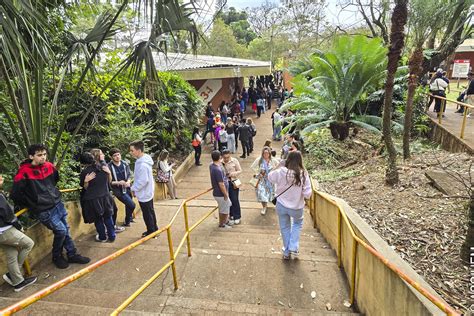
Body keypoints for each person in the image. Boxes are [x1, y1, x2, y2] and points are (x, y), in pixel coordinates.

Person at [10, 144, 90, 269]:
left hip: (57, 204)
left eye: (44, 154)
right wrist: (33, 203)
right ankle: (56, 256)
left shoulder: (49, 166)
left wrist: (52, 194)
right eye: (39, 155)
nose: (43, 157)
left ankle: (72, 254)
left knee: (65, 230)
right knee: (61, 231)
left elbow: (55, 180)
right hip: (44, 209)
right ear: (31, 156)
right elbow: (15, 194)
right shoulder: (24, 171)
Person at [269, 151, 311, 260]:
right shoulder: (303, 173)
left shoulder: (281, 171)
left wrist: (278, 166)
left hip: (281, 205)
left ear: (288, 160)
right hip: (297, 207)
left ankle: (286, 252)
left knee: (284, 227)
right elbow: (308, 194)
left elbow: (270, 177)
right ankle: (294, 247)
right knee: (297, 224)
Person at [0, 175, 36, 292]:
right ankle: (13, 275)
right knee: (29, 244)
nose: (2, 179)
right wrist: (19, 226)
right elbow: (8, 215)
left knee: (12, 253)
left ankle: (18, 283)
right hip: (5, 230)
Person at [79, 150, 116, 243]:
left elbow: (86, 188)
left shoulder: (85, 172)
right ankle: (112, 236)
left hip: (94, 199)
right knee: (108, 217)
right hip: (105, 196)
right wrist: (109, 173)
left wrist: (86, 181)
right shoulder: (104, 167)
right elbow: (109, 182)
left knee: (98, 219)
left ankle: (102, 237)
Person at [129, 141, 158, 237]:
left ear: (138, 150)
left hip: (145, 192)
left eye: (132, 150)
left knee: (147, 213)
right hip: (147, 191)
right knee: (150, 211)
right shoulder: (143, 159)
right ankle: (154, 229)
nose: (131, 152)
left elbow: (143, 181)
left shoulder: (142, 165)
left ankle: (151, 232)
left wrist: (133, 188)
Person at [109, 148, 136, 227]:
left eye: (118, 154)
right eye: (115, 155)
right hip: (117, 190)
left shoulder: (125, 164)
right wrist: (118, 182)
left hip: (126, 187)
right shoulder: (109, 167)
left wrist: (128, 182)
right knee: (132, 205)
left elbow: (129, 176)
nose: (117, 157)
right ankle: (127, 220)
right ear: (111, 157)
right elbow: (108, 182)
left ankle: (128, 220)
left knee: (129, 205)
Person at [251, 146, 280, 215]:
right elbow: (252, 167)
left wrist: (274, 172)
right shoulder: (259, 160)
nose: (266, 155)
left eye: (267, 153)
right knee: (261, 194)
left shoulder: (273, 160)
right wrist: (258, 173)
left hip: (271, 180)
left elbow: (279, 165)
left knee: (271, 194)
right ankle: (264, 207)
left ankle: (271, 205)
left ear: (269, 153)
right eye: (264, 153)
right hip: (262, 180)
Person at [209, 150, 232, 229]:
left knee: (221, 208)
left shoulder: (211, 166)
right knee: (225, 209)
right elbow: (221, 184)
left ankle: (223, 222)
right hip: (221, 193)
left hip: (217, 192)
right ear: (220, 157)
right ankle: (222, 224)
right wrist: (225, 194)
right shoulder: (217, 170)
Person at [222, 149, 242, 225]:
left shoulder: (234, 161)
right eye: (224, 157)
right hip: (225, 183)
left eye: (227, 157)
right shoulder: (221, 163)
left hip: (233, 182)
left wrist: (232, 174)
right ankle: (232, 215)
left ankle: (237, 216)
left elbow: (240, 170)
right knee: (228, 200)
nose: (226, 159)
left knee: (235, 199)